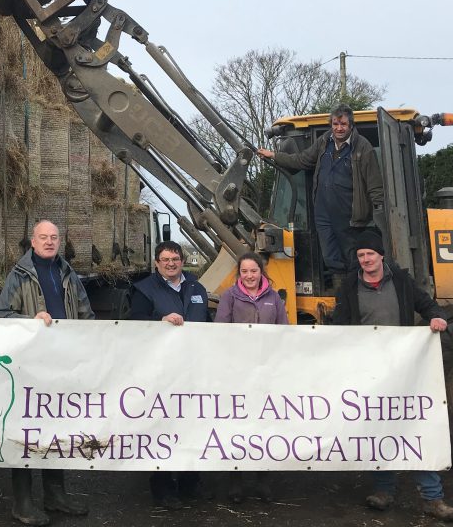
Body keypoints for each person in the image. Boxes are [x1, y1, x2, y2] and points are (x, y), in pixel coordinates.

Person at [332, 229, 453, 523]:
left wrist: (437, 316)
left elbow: (426, 304)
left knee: (413, 427)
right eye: (361, 255)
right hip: (369, 370)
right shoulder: (350, 286)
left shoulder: (401, 281)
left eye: (370, 254)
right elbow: (339, 323)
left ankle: (432, 496)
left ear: (381, 256)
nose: (365, 259)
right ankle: (383, 490)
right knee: (379, 428)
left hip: (405, 368)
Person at [0, 220, 93, 527]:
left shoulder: (68, 274)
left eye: (54, 237)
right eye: (43, 237)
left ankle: (55, 495)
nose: (49, 242)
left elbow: (86, 312)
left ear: (59, 242)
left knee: (55, 428)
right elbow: (0, 314)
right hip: (29, 365)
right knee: (26, 431)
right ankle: (22, 502)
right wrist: (29, 319)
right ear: (32, 243)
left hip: (61, 364)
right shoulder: (19, 275)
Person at [258, 103, 383, 281]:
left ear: (350, 125)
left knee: (353, 257)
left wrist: (381, 216)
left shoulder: (362, 147)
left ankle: (357, 295)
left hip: (349, 213)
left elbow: (374, 185)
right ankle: (341, 295)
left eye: (343, 124)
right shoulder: (324, 142)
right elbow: (302, 160)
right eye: (335, 124)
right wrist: (274, 156)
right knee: (331, 256)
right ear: (331, 124)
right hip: (323, 213)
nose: (339, 128)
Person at [129, 240, 209, 510]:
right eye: (165, 260)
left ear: (182, 260)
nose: (171, 263)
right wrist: (158, 323)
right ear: (156, 263)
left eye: (175, 258)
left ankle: (190, 481)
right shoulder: (144, 290)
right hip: (161, 371)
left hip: (194, 368)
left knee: (192, 423)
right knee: (163, 427)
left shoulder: (196, 287)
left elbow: (209, 325)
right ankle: (163, 486)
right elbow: (133, 323)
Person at [213, 252, 288, 503]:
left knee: (265, 423)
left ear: (261, 272)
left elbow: (284, 332)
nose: (249, 276)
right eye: (244, 271)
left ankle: (263, 480)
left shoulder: (274, 298)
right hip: (238, 372)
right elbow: (220, 332)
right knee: (237, 424)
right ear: (239, 274)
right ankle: (236, 481)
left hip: (267, 371)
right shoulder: (229, 297)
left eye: (253, 271)